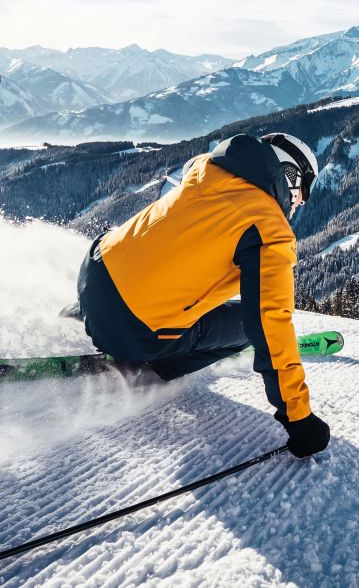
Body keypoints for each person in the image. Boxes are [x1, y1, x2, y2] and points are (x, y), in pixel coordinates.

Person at [72, 131, 330, 459]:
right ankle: (154, 366)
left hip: (92, 274)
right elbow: (269, 324)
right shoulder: (268, 228)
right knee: (245, 328)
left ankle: (82, 311)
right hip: (129, 333)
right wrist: (299, 418)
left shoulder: (204, 170)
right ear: (290, 176)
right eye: (303, 191)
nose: (301, 202)